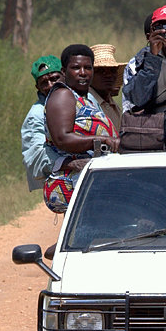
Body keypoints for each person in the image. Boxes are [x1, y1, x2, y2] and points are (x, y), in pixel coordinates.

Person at [42, 44, 120, 213]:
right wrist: (103, 140)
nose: (83, 72)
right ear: (64, 71)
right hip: (72, 181)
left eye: (88, 68)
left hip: (89, 180)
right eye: (76, 68)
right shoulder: (63, 95)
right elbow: (62, 138)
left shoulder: (86, 98)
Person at [20, 54, 63, 191]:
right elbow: (36, 155)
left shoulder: (81, 100)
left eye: (54, 79)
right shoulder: (37, 115)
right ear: (37, 87)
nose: (50, 85)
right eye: (44, 82)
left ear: (64, 76)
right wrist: (69, 163)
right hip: (64, 182)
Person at [89, 43, 126, 130]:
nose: (109, 75)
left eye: (112, 70)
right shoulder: (86, 103)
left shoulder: (113, 105)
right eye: (101, 71)